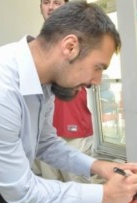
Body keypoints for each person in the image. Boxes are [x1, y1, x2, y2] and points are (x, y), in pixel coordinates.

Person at [0, 2, 137, 203]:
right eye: (98, 67)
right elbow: (24, 194)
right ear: (70, 46)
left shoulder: (43, 81)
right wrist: (105, 194)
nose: (96, 81)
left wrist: (99, 166)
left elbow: (46, 143)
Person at [37, 0, 98, 184]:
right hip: (44, 133)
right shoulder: (38, 43)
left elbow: (92, 77)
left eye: (57, 2)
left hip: (74, 133)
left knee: (80, 194)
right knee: (51, 194)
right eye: (46, 2)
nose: (51, 7)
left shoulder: (83, 38)